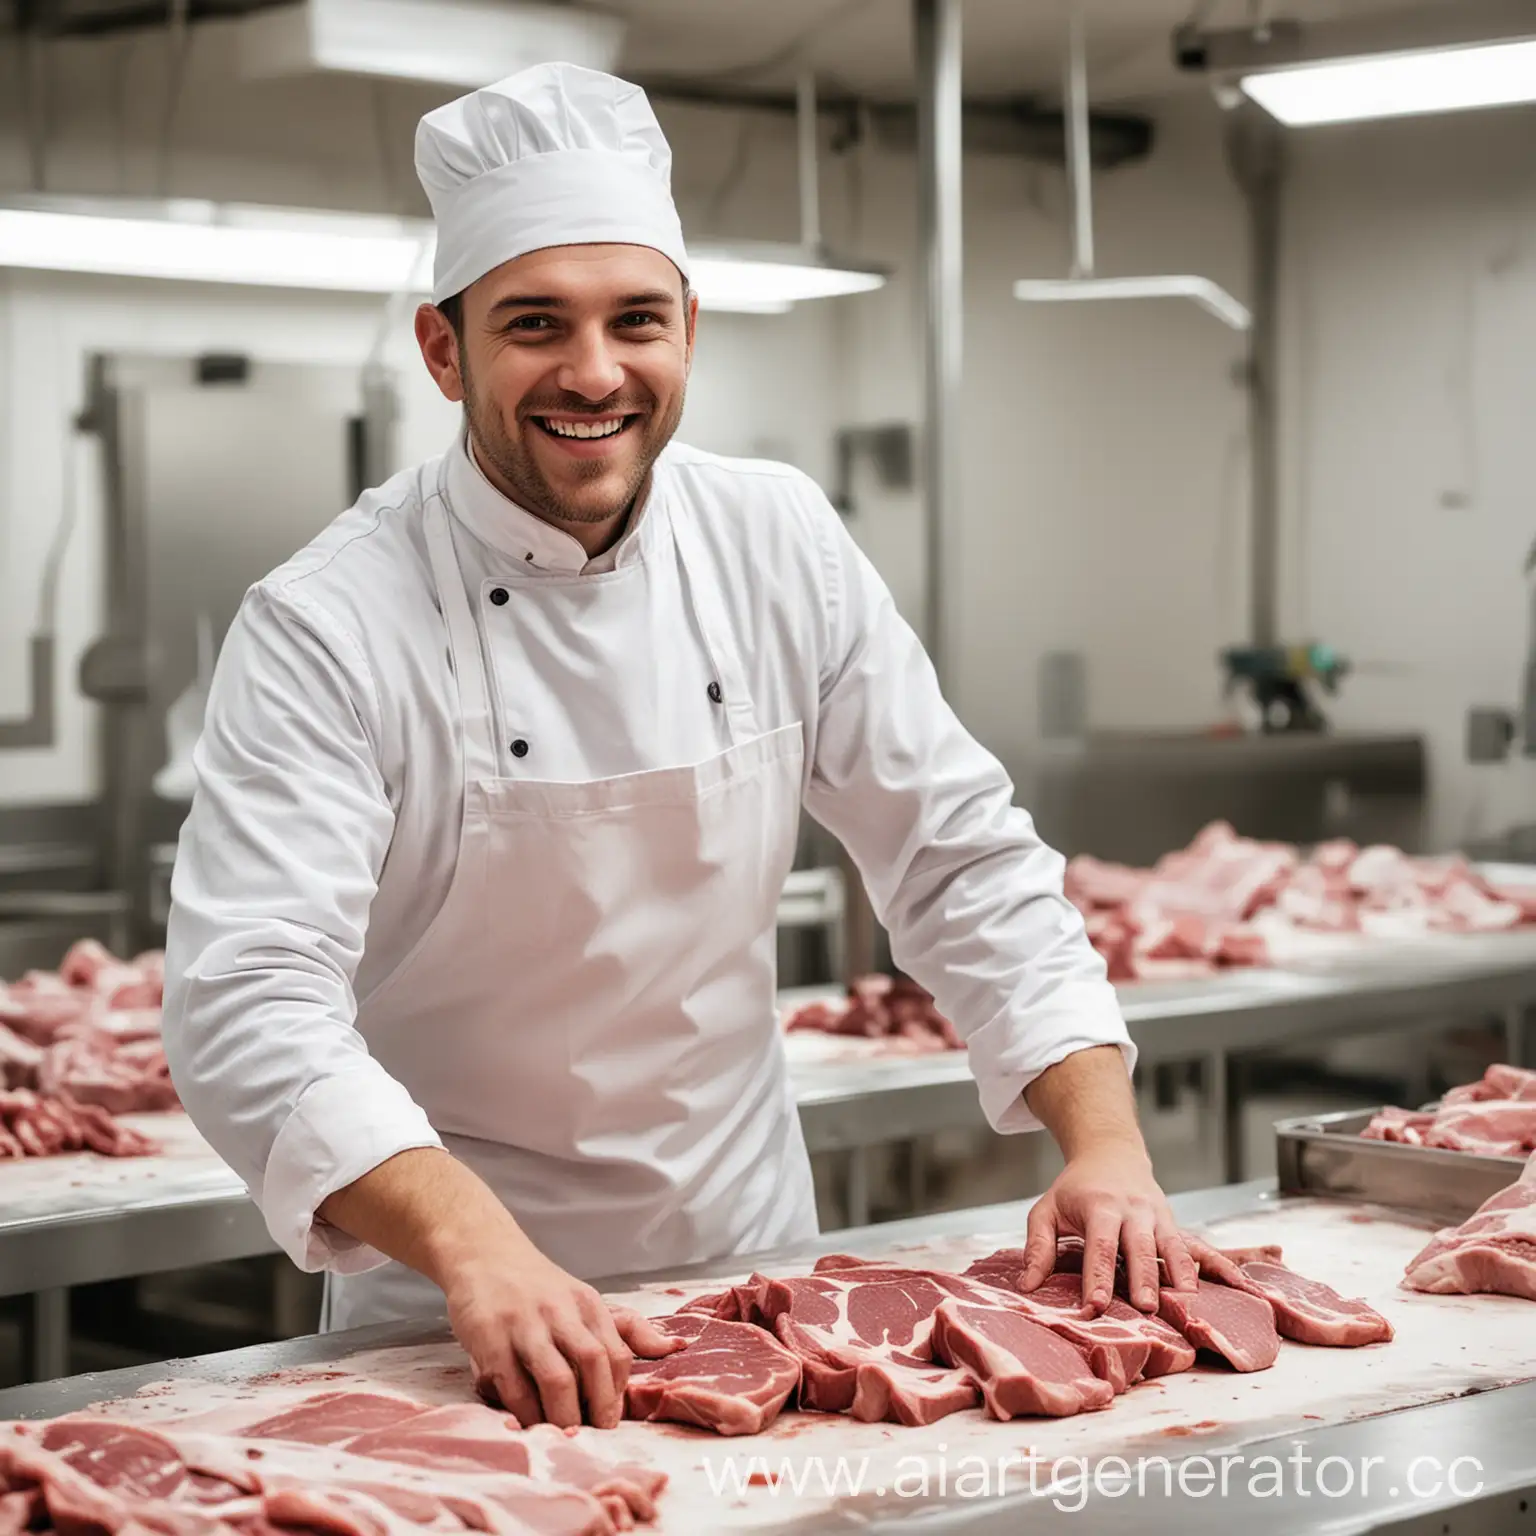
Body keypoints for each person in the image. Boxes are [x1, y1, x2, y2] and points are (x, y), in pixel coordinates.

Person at [162, 61, 1194, 1435]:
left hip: (750, 1283)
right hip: (457, 1319)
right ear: (443, 349)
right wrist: (478, 1252)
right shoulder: (328, 621)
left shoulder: (777, 541)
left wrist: (1107, 1146)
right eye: (536, 324)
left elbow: (958, 856)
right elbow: (248, 1003)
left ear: (690, 330)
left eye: (635, 320)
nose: (595, 374)